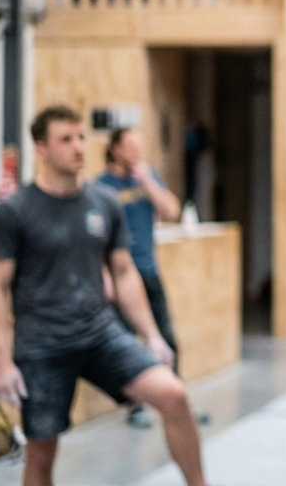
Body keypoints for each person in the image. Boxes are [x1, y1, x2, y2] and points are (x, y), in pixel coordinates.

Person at [0, 106, 206, 486]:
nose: (78, 147)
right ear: (41, 148)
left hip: (100, 333)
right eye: (66, 139)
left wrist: (152, 335)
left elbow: (123, 273)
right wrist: (2, 363)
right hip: (42, 345)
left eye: (82, 137)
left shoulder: (104, 202)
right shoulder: (14, 211)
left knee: (174, 395)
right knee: (41, 452)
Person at [96, 127, 183, 429]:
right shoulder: (101, 187)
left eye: (139, 147)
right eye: (130, 147)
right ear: (116, 149)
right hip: (119, 276)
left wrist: (148, 181)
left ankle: (177, 397)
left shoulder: (148, 178)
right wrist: (103, 274)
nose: (136, 153)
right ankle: (134, 406)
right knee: (126, 342)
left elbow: (172, 211)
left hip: (147, 269)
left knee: (166, 336)